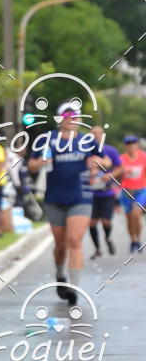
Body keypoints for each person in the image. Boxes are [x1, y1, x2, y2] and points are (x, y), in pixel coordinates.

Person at [28, 101, 110, 306]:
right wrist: (41, 162)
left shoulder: (87, 140)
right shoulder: (47, 139)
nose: (71, 119)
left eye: (75, 116)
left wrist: (98, 162)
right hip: (55, 198)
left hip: (81, 196)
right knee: (61, 246)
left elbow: (107, 161)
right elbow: (31, 164)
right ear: (60, 119)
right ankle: (60, 274)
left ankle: (74, 288)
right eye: (67, 115)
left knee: (74, 241)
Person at [88, 126, 123, 258]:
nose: (96, 135)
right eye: (93, 133)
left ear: (103, 135)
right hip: (91, 193)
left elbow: (121, 168)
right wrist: (90, 173)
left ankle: (108, 238)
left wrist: (109, 176)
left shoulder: (110, 150)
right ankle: (97, 249)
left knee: (105, 221)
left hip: (107, 192)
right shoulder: (85, 150)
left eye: (99, 133)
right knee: (92, 222)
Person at [120, 135, 146, 253]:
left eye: (133, 143)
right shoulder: (121, 159)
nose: (131, 146)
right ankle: (133, 240)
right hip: (126, 191)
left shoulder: (143, 157)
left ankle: (138, 239)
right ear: (125, 146)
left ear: (137, 145)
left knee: (136, 215)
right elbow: (117, 172)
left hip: (141, 190)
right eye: (128, 144)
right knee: (130, 219)